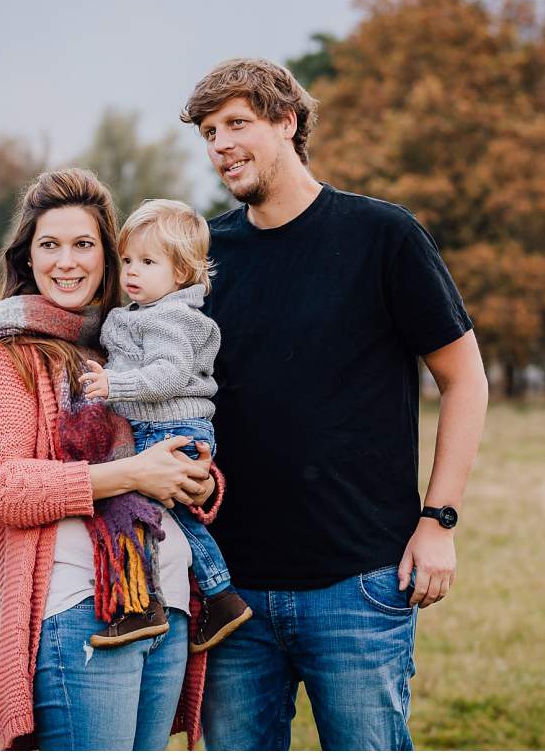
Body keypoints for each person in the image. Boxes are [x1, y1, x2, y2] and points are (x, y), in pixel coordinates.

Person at [179, 58, 490, 749]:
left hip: (358, 585)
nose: (220, 143)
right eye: (207, 131)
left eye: (237, 123)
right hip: (230, 595)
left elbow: (465, 378)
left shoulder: (382, 236)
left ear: (287, 122)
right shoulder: (206, 257)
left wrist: (438, 520)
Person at [0, 168, 223, 750]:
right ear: (28, 256)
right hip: (81, 609)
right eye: (50, 245)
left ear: (108, 256)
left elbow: (175, 439)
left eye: (83, 245)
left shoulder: (124, 342)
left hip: (167, 601)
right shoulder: (5, 355)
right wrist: (131, 475)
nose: (67, 262)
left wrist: (199, 480)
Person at [79, 198, 253, 653]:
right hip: (167, 429)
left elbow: (170, 374)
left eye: (148, 262)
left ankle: (144, 605)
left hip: (170, 429)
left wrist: (114, 384)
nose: (133, 271)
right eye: (129, 259)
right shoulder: (142, 312)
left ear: (181, 273)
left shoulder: (171, 316)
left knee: (134, 508)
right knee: (179, 519)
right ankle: (221, 597)